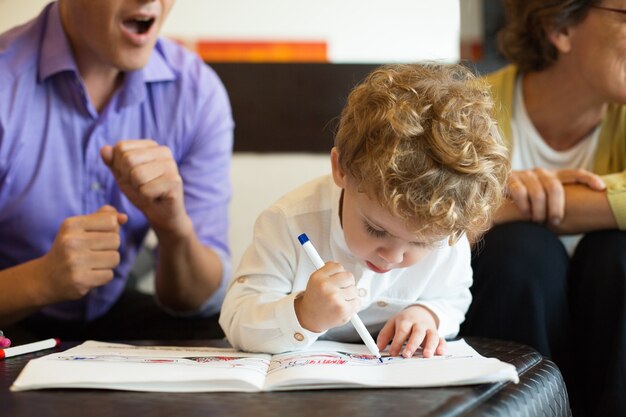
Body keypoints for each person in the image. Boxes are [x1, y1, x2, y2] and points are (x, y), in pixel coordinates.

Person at [219, 63, 509, 357]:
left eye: (420, 243)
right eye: (376, 229)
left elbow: (454, 298)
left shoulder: (447, 227)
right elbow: (237, 318)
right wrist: (305, 313)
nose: (393, 256)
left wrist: (428, 315)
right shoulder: (288, 224)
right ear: (341, 169)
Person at [0, 0, 234, 342]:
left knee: (220, 331)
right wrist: (43, 280)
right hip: (13, 319)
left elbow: (197, 299)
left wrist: (174, 228)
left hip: (114, 312)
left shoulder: (197, 93)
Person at [459, 1, 626, 416]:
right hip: (502, 307)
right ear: (559, 26)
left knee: (617, 252)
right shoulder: (462, 110)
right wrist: (491, 211)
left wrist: (513, 203)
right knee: (520, 250)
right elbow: (410, 225)